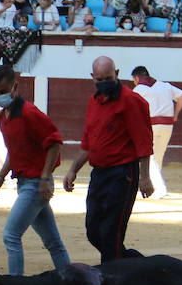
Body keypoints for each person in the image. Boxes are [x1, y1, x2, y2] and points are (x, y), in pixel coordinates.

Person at [62, 56, 155, 262]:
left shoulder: (131, 100)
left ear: (117, 74)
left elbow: (143, 140)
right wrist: (73, 170)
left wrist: (145, 177)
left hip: (123, 174)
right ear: (92, 77)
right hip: (100, 172)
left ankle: (112, 284)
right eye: (100, 79)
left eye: (108, 78)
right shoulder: (93, 101)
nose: (104, 83)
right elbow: (88, 142)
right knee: (93, 231)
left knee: (110, 234)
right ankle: (139, 267)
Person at [0, 66, 72, 277]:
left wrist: (44, 178)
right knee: (53, 242)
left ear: (15, 86)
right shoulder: (5, 115)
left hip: (35, 184)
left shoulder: (29, 113)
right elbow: (14, 151)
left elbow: (55, 143)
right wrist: (1, 176)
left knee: (11, 235)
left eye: (3, 91)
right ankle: (72, 283)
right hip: (26, 182)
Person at [130, 66, 182, 200]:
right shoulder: (164, 86)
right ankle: (154, 187)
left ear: (137, 78)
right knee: (158, 157)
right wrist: (176, 114)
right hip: (167, 124)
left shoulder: (138, 89)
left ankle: (160, 189)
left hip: (150, 125)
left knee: (150, 157)